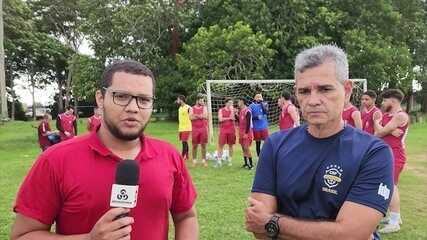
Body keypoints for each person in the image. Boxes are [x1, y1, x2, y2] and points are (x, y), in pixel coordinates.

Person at [11, 60, 199, 240]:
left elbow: (186, 217)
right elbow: (23, 235)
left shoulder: (169, 155)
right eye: (121, 97)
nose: (133, 108)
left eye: (143, 99)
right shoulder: (55, 160)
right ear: (100, 99)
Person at [245, 45, 393, 240]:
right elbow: (258, 229)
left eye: (325, 89)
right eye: (304, 91)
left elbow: (350, 234)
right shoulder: (275, 144)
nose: (313, 100)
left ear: (347, 90)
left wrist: (273, 222)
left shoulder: (373, 153)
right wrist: (330, 230)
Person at [373, 89, 409, 234]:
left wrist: (378, 124)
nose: (382, 103)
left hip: (395, 154)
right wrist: (384, 128)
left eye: (385, 100)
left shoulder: (400, 116)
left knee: (391, 186)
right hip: (387, 154)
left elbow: (380, 132)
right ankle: (393, 217)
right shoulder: (389, 116)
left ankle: (395, 221)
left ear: (393, 101)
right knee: (389, 186)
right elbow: (377, 134)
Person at [189, 94, 208, 167]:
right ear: (197, 100)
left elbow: (206, 116)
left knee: (203, 145)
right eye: (201, 100)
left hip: (203, 128)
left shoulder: (204, 107)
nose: (202, 102)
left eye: (203, 100)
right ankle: (194, 161)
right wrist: (200, 116)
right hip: (195, 129)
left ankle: (204, 161)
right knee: (194, 146)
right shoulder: (191, 108)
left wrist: (196, 115)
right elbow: (191, 117)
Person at [216, 97, 236, 167]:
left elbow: (233, 117)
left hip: (231, 129)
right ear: (226, 103)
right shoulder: (221, 110)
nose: (231, 104)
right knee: (221, 145)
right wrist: (228, 118)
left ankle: (230, 160)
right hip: (223, 130)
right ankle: (219, 160)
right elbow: (220, 119)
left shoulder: (233, 110)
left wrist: (232, 111)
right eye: (230, 103)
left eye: (232, 103)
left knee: (231, 145)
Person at [237, 97, 254, 170]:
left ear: (242, 102)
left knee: (247, 148)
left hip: (246, 132)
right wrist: (235, 115)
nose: (238, 103)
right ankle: (246, 163)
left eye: (239, 101)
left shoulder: (248, 111)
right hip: (241, 131)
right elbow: (240, 121)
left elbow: (248, 123)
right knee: (243, 148)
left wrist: (246, 133)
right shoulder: (240, 111)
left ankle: (251, 165)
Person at [176, 95, 192, 161]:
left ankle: (182, 156)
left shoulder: (188, 108)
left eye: (178, 99)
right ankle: (187, 155)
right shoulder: (179, 108)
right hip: (181, 128)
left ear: (181, 100)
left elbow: (191, 117)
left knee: (184, 142)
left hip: (187, 127)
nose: (177, 101)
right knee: (184, 142)